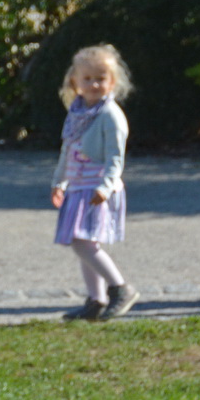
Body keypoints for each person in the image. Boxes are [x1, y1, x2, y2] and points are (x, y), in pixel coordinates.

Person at [49, 43, 137, 322]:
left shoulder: (110, 116)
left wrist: (106, 186)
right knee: (85, 245)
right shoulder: (77, 114)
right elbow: (68, 149)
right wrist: (59, 181)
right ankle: (96, 301)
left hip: (97, 188)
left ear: (112, 82)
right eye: (87, 78)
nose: (94, 84)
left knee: (81, 242)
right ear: (75, 82)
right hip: (77, 187)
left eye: (101, 78)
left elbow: (115, 157)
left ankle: (120, 288)